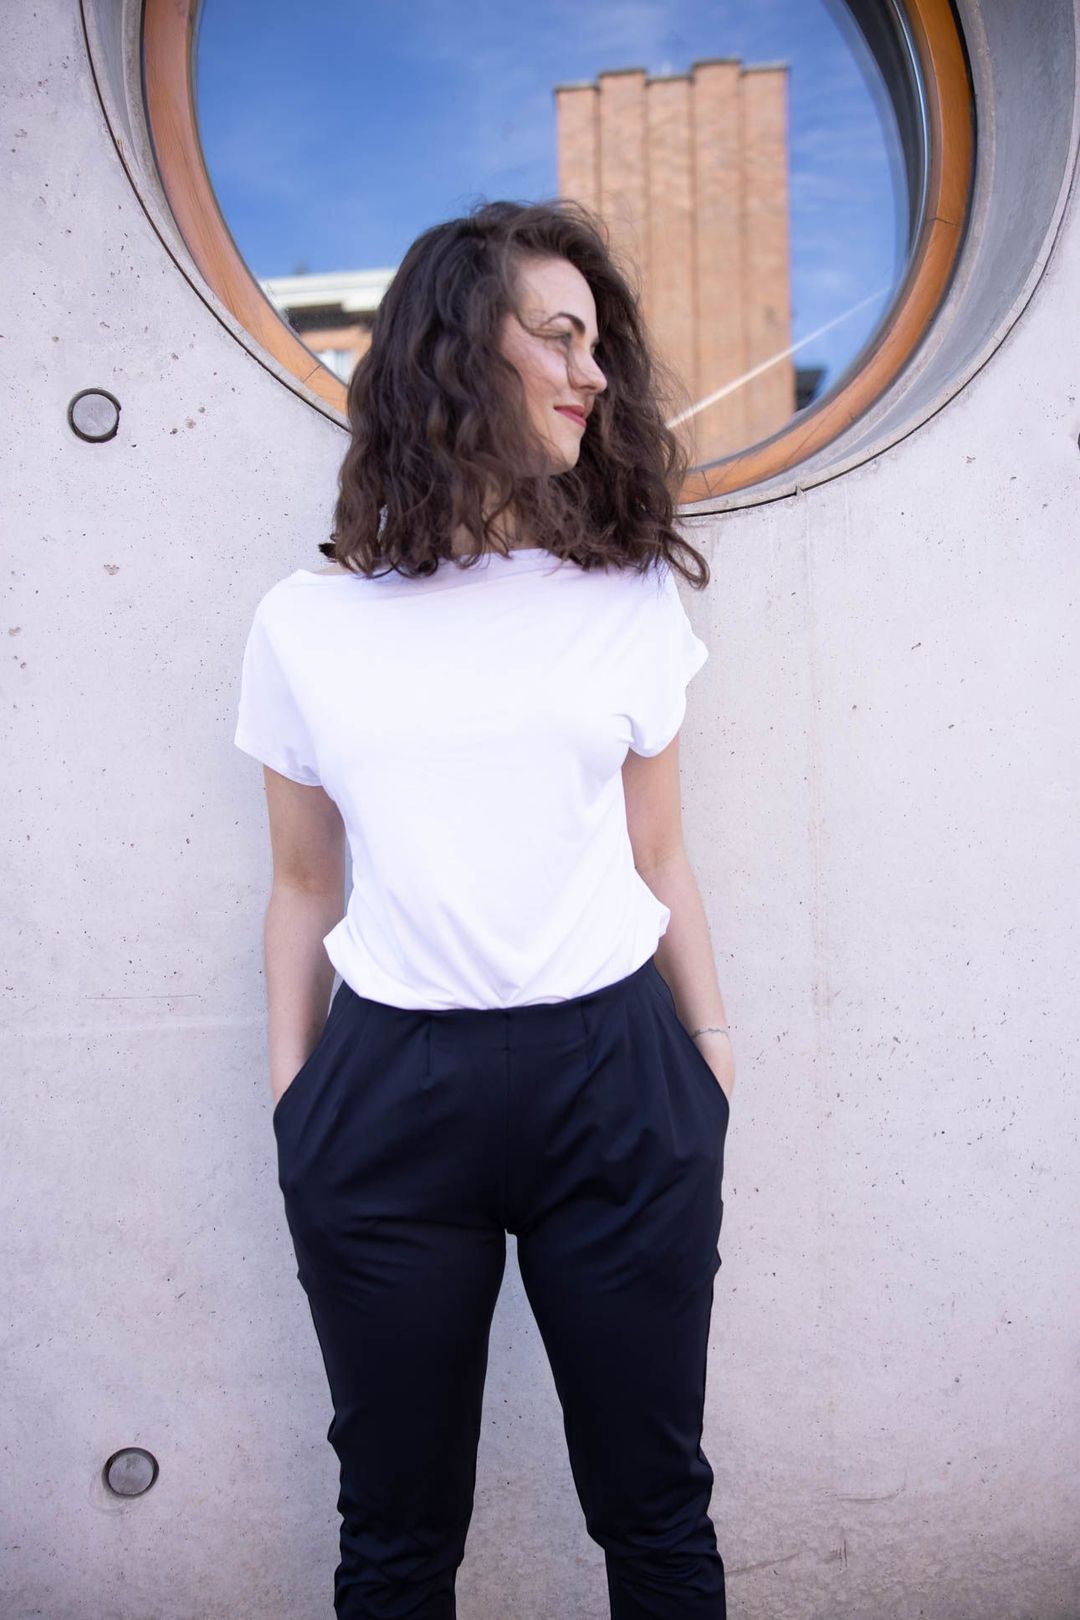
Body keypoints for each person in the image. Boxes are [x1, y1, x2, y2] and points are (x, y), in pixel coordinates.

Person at [233, 197, 736, 1619]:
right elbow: (302, 882)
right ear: (460, 349)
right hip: (389, 1093)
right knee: (393, 1534)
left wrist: (709, 1060)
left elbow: (661, 855)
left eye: (599, 344)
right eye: (560, 337)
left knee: (656, 1511)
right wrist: (298, 1104)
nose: (594, 374)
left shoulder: (625, 596)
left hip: (618, 1077)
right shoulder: (307, 624)